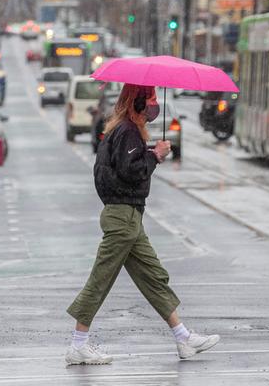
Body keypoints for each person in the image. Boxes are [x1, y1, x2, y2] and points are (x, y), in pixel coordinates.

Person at [65, 83, 220, 366]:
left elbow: (123, 167)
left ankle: (182, 336)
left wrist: (149, 153)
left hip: (130, 217)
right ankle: (79, 344)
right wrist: (155, 155)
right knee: (100, 280)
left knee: (153, 275)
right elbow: (130, 171)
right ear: (136, 103)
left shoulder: (124, 131)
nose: (153, 106)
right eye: (149, 100)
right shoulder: (127, 131)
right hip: (122, 218)